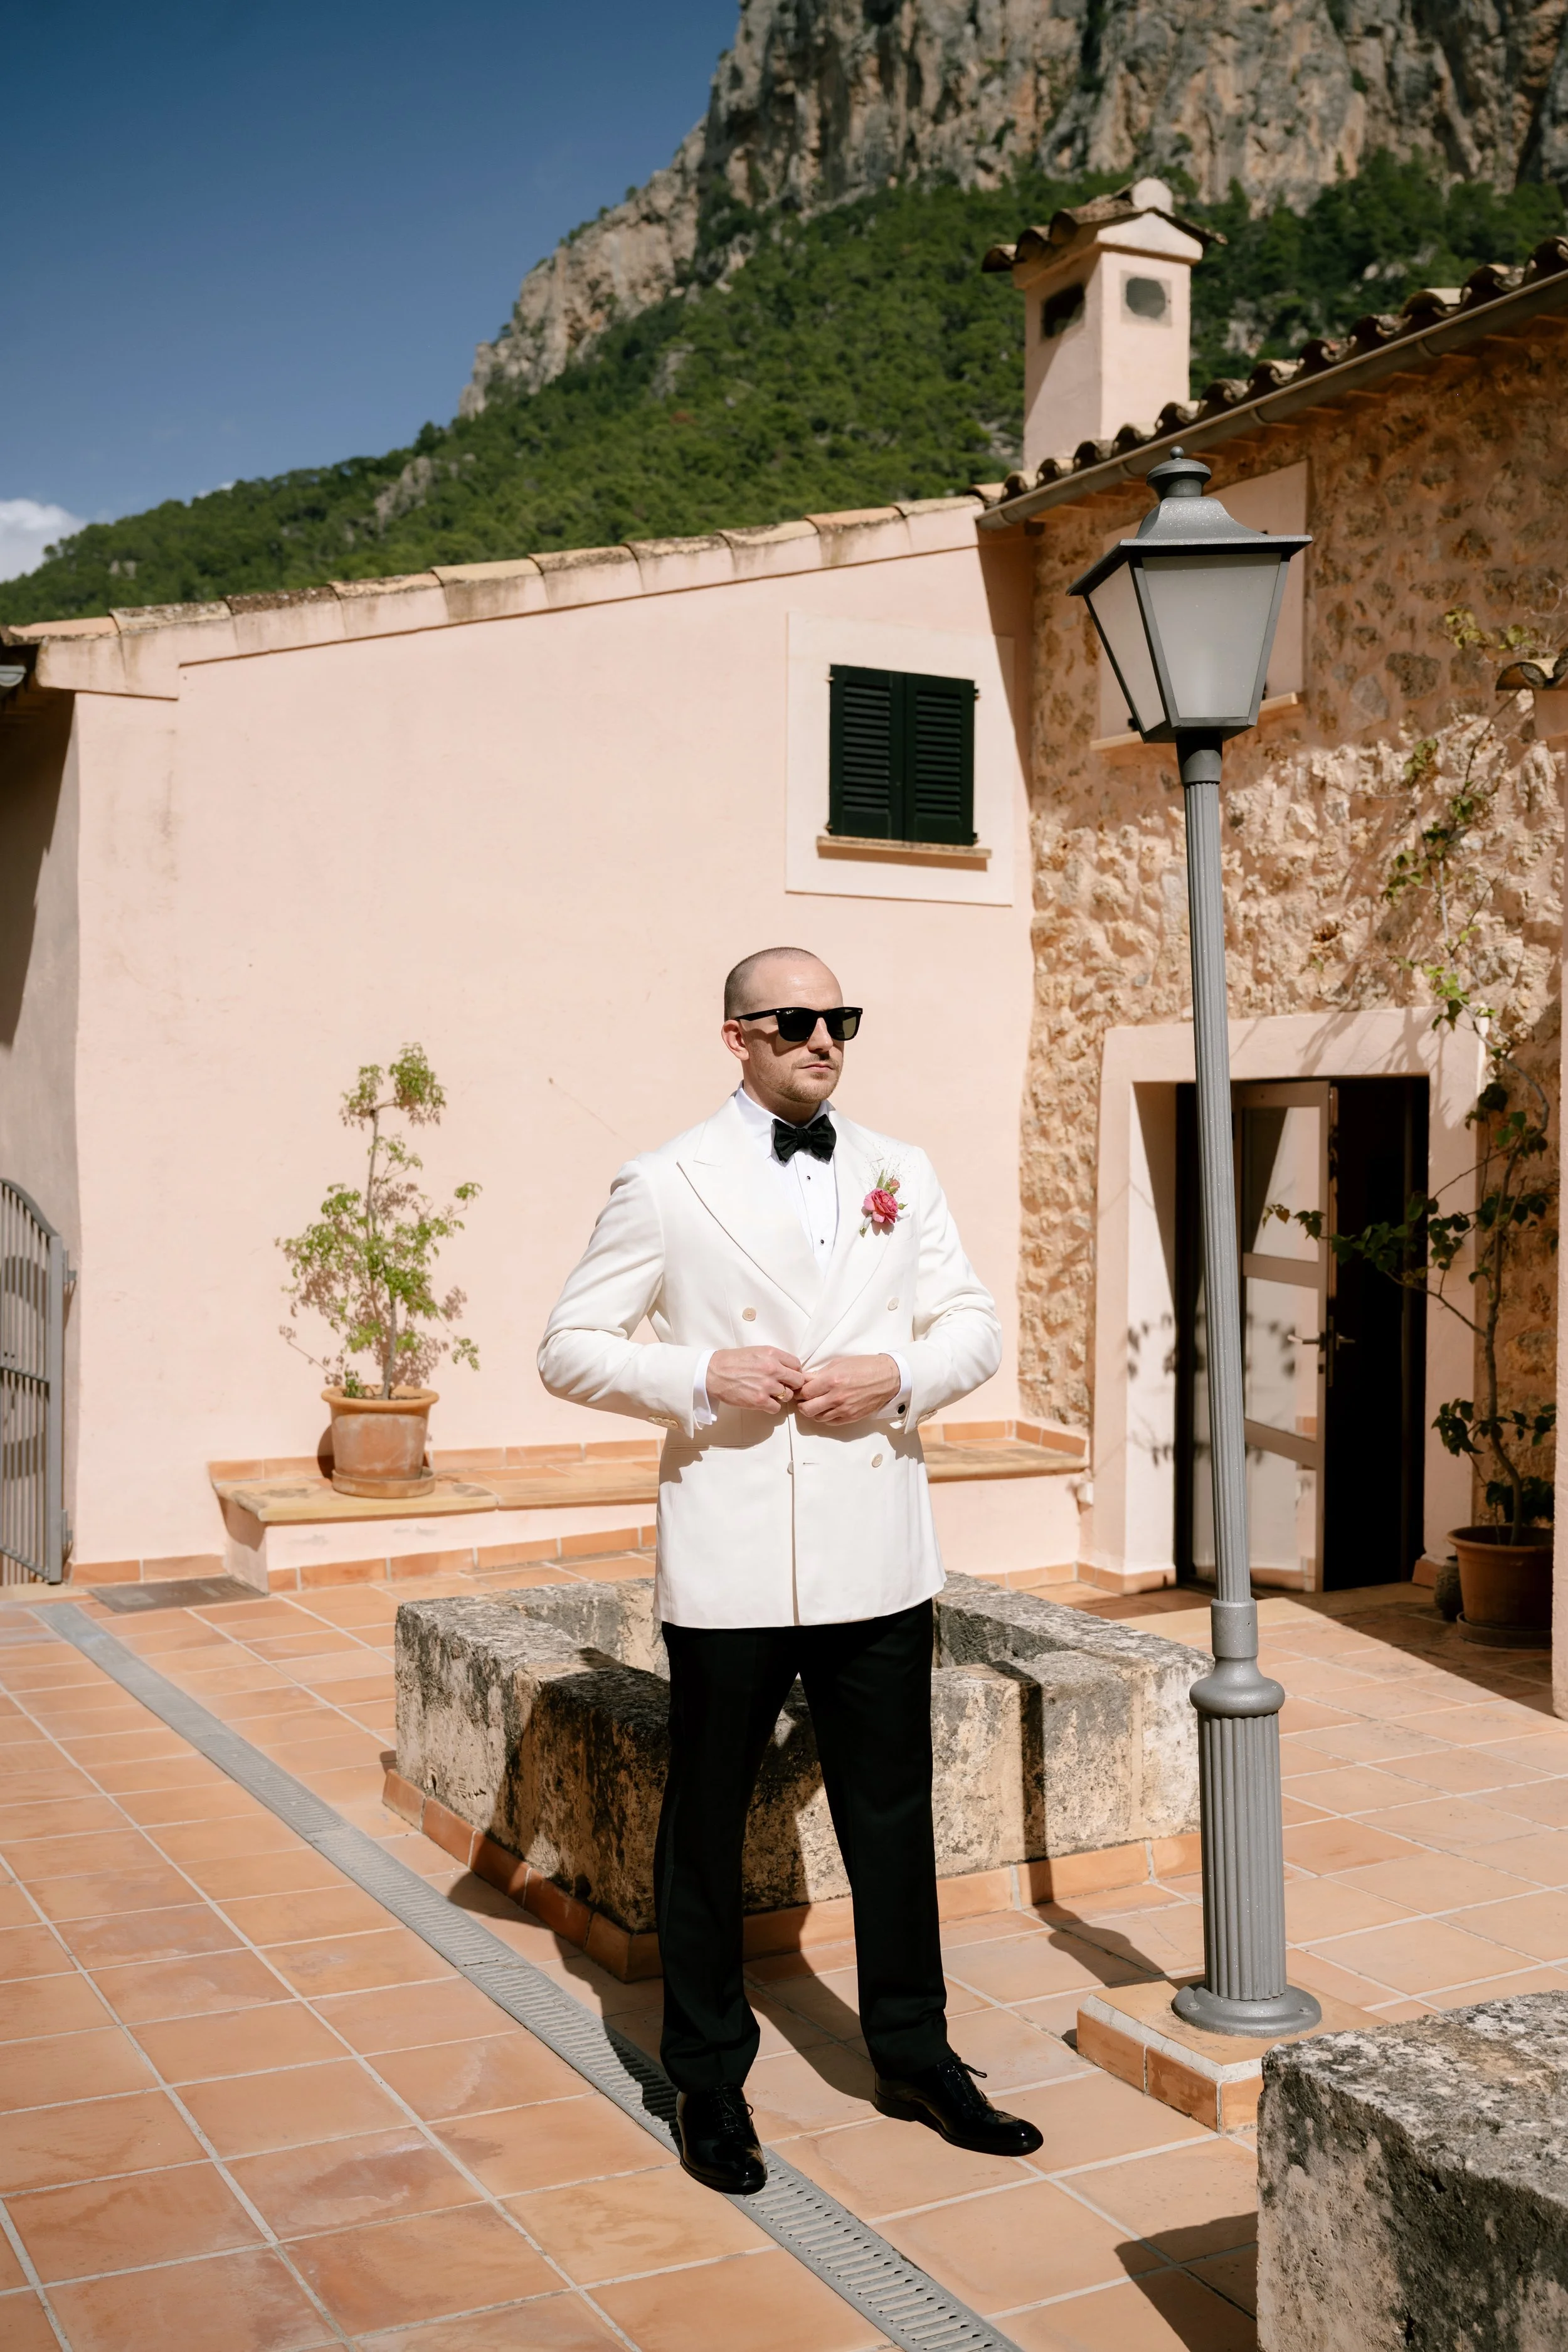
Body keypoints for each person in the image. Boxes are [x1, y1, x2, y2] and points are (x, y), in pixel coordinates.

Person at [539, 947, 1044, 2194]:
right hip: (732, 1551)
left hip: (877, 1550)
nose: (823, 1040)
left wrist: (903, 1375)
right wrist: (692, 1374)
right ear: (737, 1037)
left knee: (890, 1814)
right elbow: (566, 1348)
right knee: (705, 1824)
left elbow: (970, 1326)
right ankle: (708, 2080)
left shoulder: (899, 1171)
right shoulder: (662, 1182)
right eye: (795, 1021)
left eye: (840, 1020)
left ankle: (915, 2054)